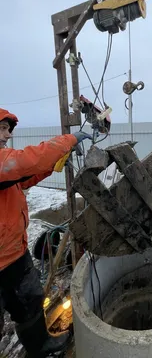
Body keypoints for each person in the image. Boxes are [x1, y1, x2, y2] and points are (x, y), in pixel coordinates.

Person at [0, 108, 92, 357]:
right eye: (2, 128)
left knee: (30, 304)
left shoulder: (5, 170)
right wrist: (69, 141)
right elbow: (28, 160)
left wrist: (54, 164)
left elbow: (24, 175)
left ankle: (40, 345)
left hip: (13, 254)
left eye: (8, 129)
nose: (7, 135)